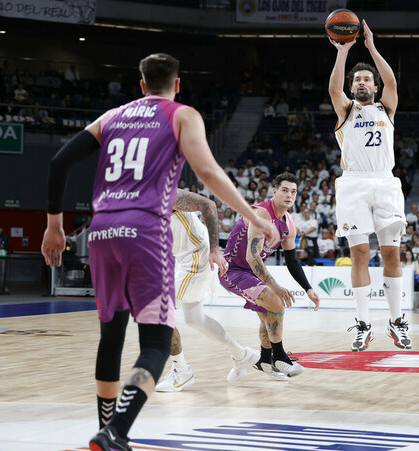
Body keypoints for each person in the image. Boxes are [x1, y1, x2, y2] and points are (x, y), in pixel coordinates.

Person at [41, 53, 280, 451]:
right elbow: (207, 174)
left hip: (101, 233)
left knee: (111, 338)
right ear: (178, 84)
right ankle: (115, 432)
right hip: (143, 233)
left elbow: (58, 161)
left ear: (140, 85)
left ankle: (106, 430)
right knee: (155, 343)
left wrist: (53, 224)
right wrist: (251, 216)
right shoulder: (183, 115)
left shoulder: (113, 117)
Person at [328, 20, 412, 352]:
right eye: (357, 79)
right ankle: (363, 325)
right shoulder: (346, 110)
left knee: (393, 255)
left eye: (367, 80)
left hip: (386, 183)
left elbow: (391, 80)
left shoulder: (386, 108)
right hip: (353, 185)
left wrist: (372, 48)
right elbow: (334, 90)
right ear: (353, 87)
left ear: (374, 88)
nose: (362, 82)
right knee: (360, 254)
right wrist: (344, 52)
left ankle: (396, 320)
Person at [156, 190, 264, 393]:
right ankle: (242, 355)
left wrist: (215, 248)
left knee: (158, 311)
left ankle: (182, 372)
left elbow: (209, 205)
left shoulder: (164, 192)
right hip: (184, 259)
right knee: (194, 319)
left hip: (198, 256)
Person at [219, 172, 321, 378]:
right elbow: (251, 257)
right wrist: (275, 286)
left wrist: (308, 288)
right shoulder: (262, 214)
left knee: (268, 316)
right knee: (276, 303)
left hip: (252, 273)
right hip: (233, 271)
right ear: (274, 192)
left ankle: (265, 361)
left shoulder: (289, 223)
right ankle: (280, 357)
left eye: (293, 191)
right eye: (284, 190)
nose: (289, 195)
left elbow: (292, 260)